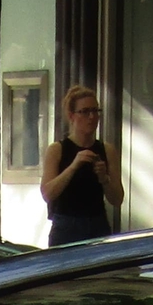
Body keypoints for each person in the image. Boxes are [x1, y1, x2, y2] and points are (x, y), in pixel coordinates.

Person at [41, 86, 122, 246]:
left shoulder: (107, 150)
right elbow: (47, 194)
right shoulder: (57, 150)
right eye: (84, 112)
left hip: (97, 223)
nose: (92, 117)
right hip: (66, 225)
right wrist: (73, 167)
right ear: (71, 116)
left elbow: (117, 199)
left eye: (95, 111)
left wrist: (104, 179)